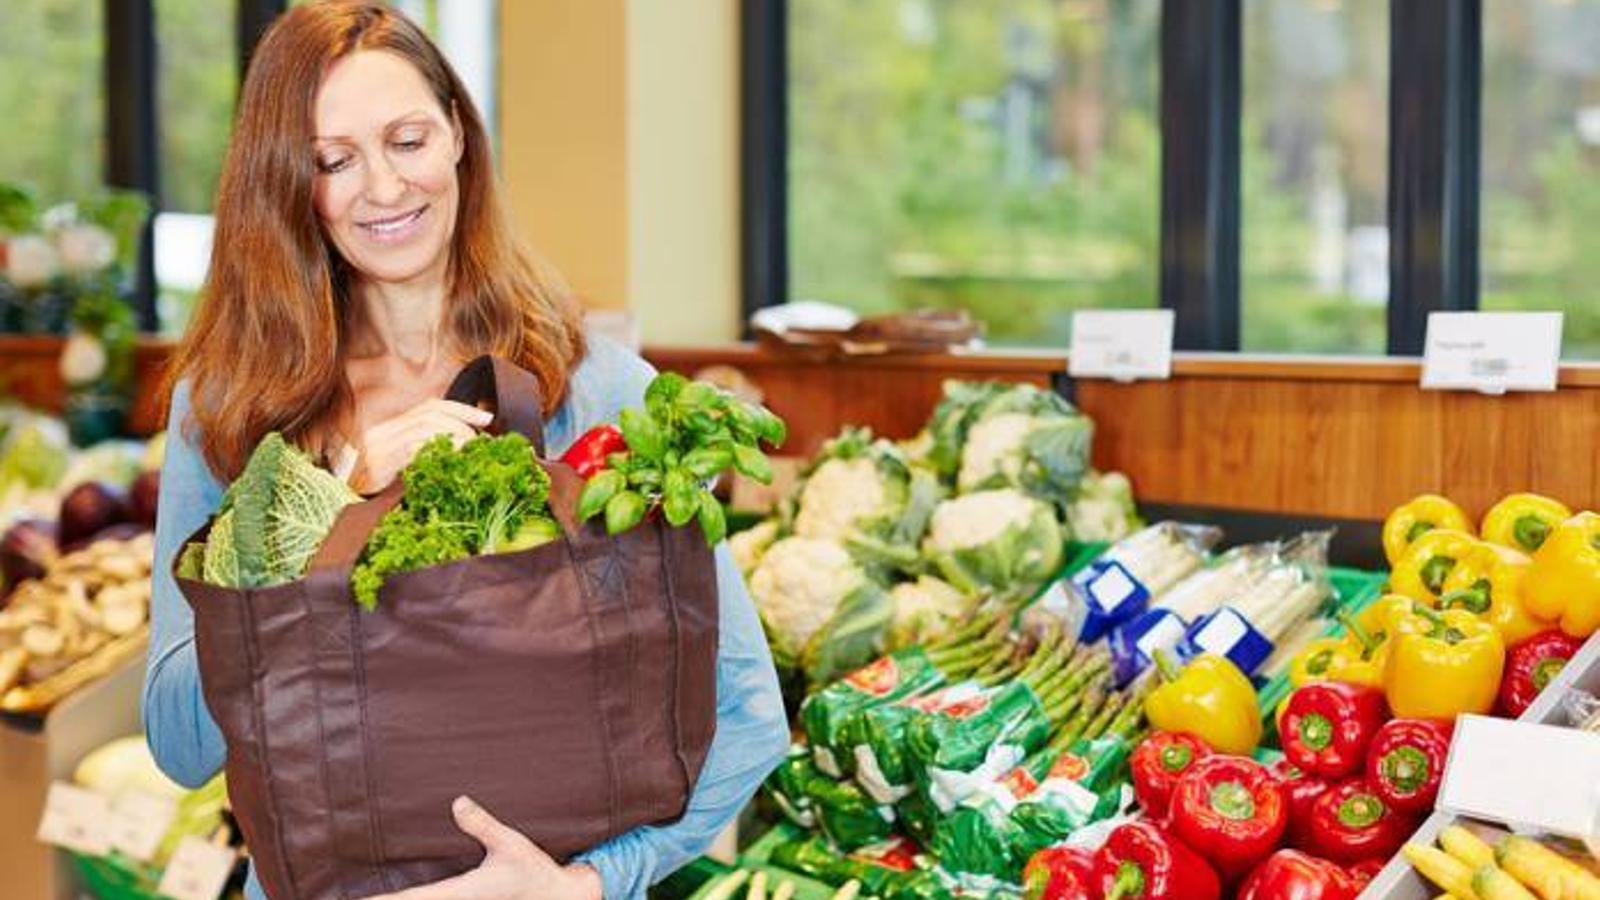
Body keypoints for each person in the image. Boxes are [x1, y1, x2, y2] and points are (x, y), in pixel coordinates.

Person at [142, 3, 790, 898]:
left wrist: (585, 884)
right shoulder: (227, 406)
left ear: (457, 136)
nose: (383, 187)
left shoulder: (594, 392)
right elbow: (179, 743)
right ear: (290, 182)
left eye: (407, 140)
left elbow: (750, 715)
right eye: (334, 161)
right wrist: (329, 506)